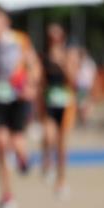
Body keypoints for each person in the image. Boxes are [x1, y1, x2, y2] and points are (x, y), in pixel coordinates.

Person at [0, 4, 41, 208]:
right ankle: (7, 195)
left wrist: (30, 86)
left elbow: (35, 67)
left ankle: (23, 158)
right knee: (1, 144)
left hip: (18, 97)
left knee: (16, 141)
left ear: (6, 22)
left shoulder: (20, 40)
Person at [40, 23, 76, 198]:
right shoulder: (43, 56)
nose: (54, 41)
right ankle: (47, 160)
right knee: (48, 136)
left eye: (57, 37)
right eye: (50, 37)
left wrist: (62, 62)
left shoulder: (69, 55)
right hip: (49, 102)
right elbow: (40, 81)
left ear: (62, 38)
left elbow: (73, 79)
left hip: (66, 104)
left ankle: (61, 180)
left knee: (62, 145)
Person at [75, 47, 97, 125]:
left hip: (87, 86)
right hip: (80, 86)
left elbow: (93, 74)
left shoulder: (89, 63)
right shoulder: (78, 62)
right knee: (81, 103)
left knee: (86, 103)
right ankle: (83, 118)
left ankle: (85, 119)